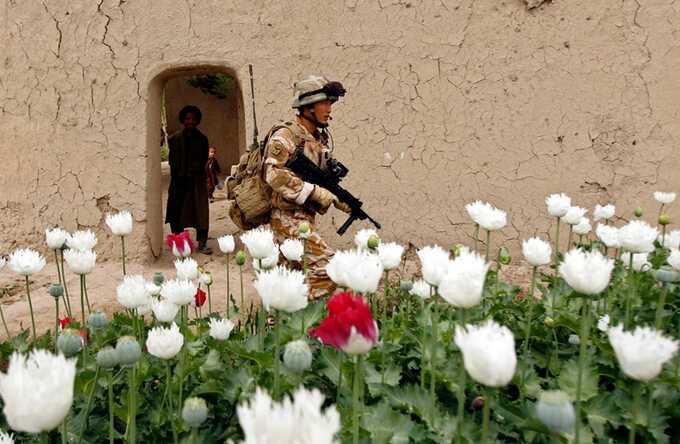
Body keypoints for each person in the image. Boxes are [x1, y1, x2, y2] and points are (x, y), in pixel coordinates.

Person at [262, 75, 351, 299]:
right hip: (287, 219)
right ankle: (304, 312)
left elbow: (321, 181)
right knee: (331, 270)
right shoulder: (286, 136)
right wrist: (314, 192)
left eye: (331, 103)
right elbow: (273, 174)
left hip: (304, 219)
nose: (330, 109)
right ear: (307, 107)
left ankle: (283, 325)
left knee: (286, 281)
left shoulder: (317, 138)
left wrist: (338, 199)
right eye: (325, 103)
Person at [165, 105, 212, 254]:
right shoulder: (174, 139)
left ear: (198, 121)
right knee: (177, 212)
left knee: (200, 212)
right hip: (178, 182)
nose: (190, 121)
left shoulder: (202, 139)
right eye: (187, 119)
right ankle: (179, 243)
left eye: (193, 119)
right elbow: (172, 161)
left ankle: (202, 243)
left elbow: (204, 159)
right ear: (182, 120)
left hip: (197, 182)